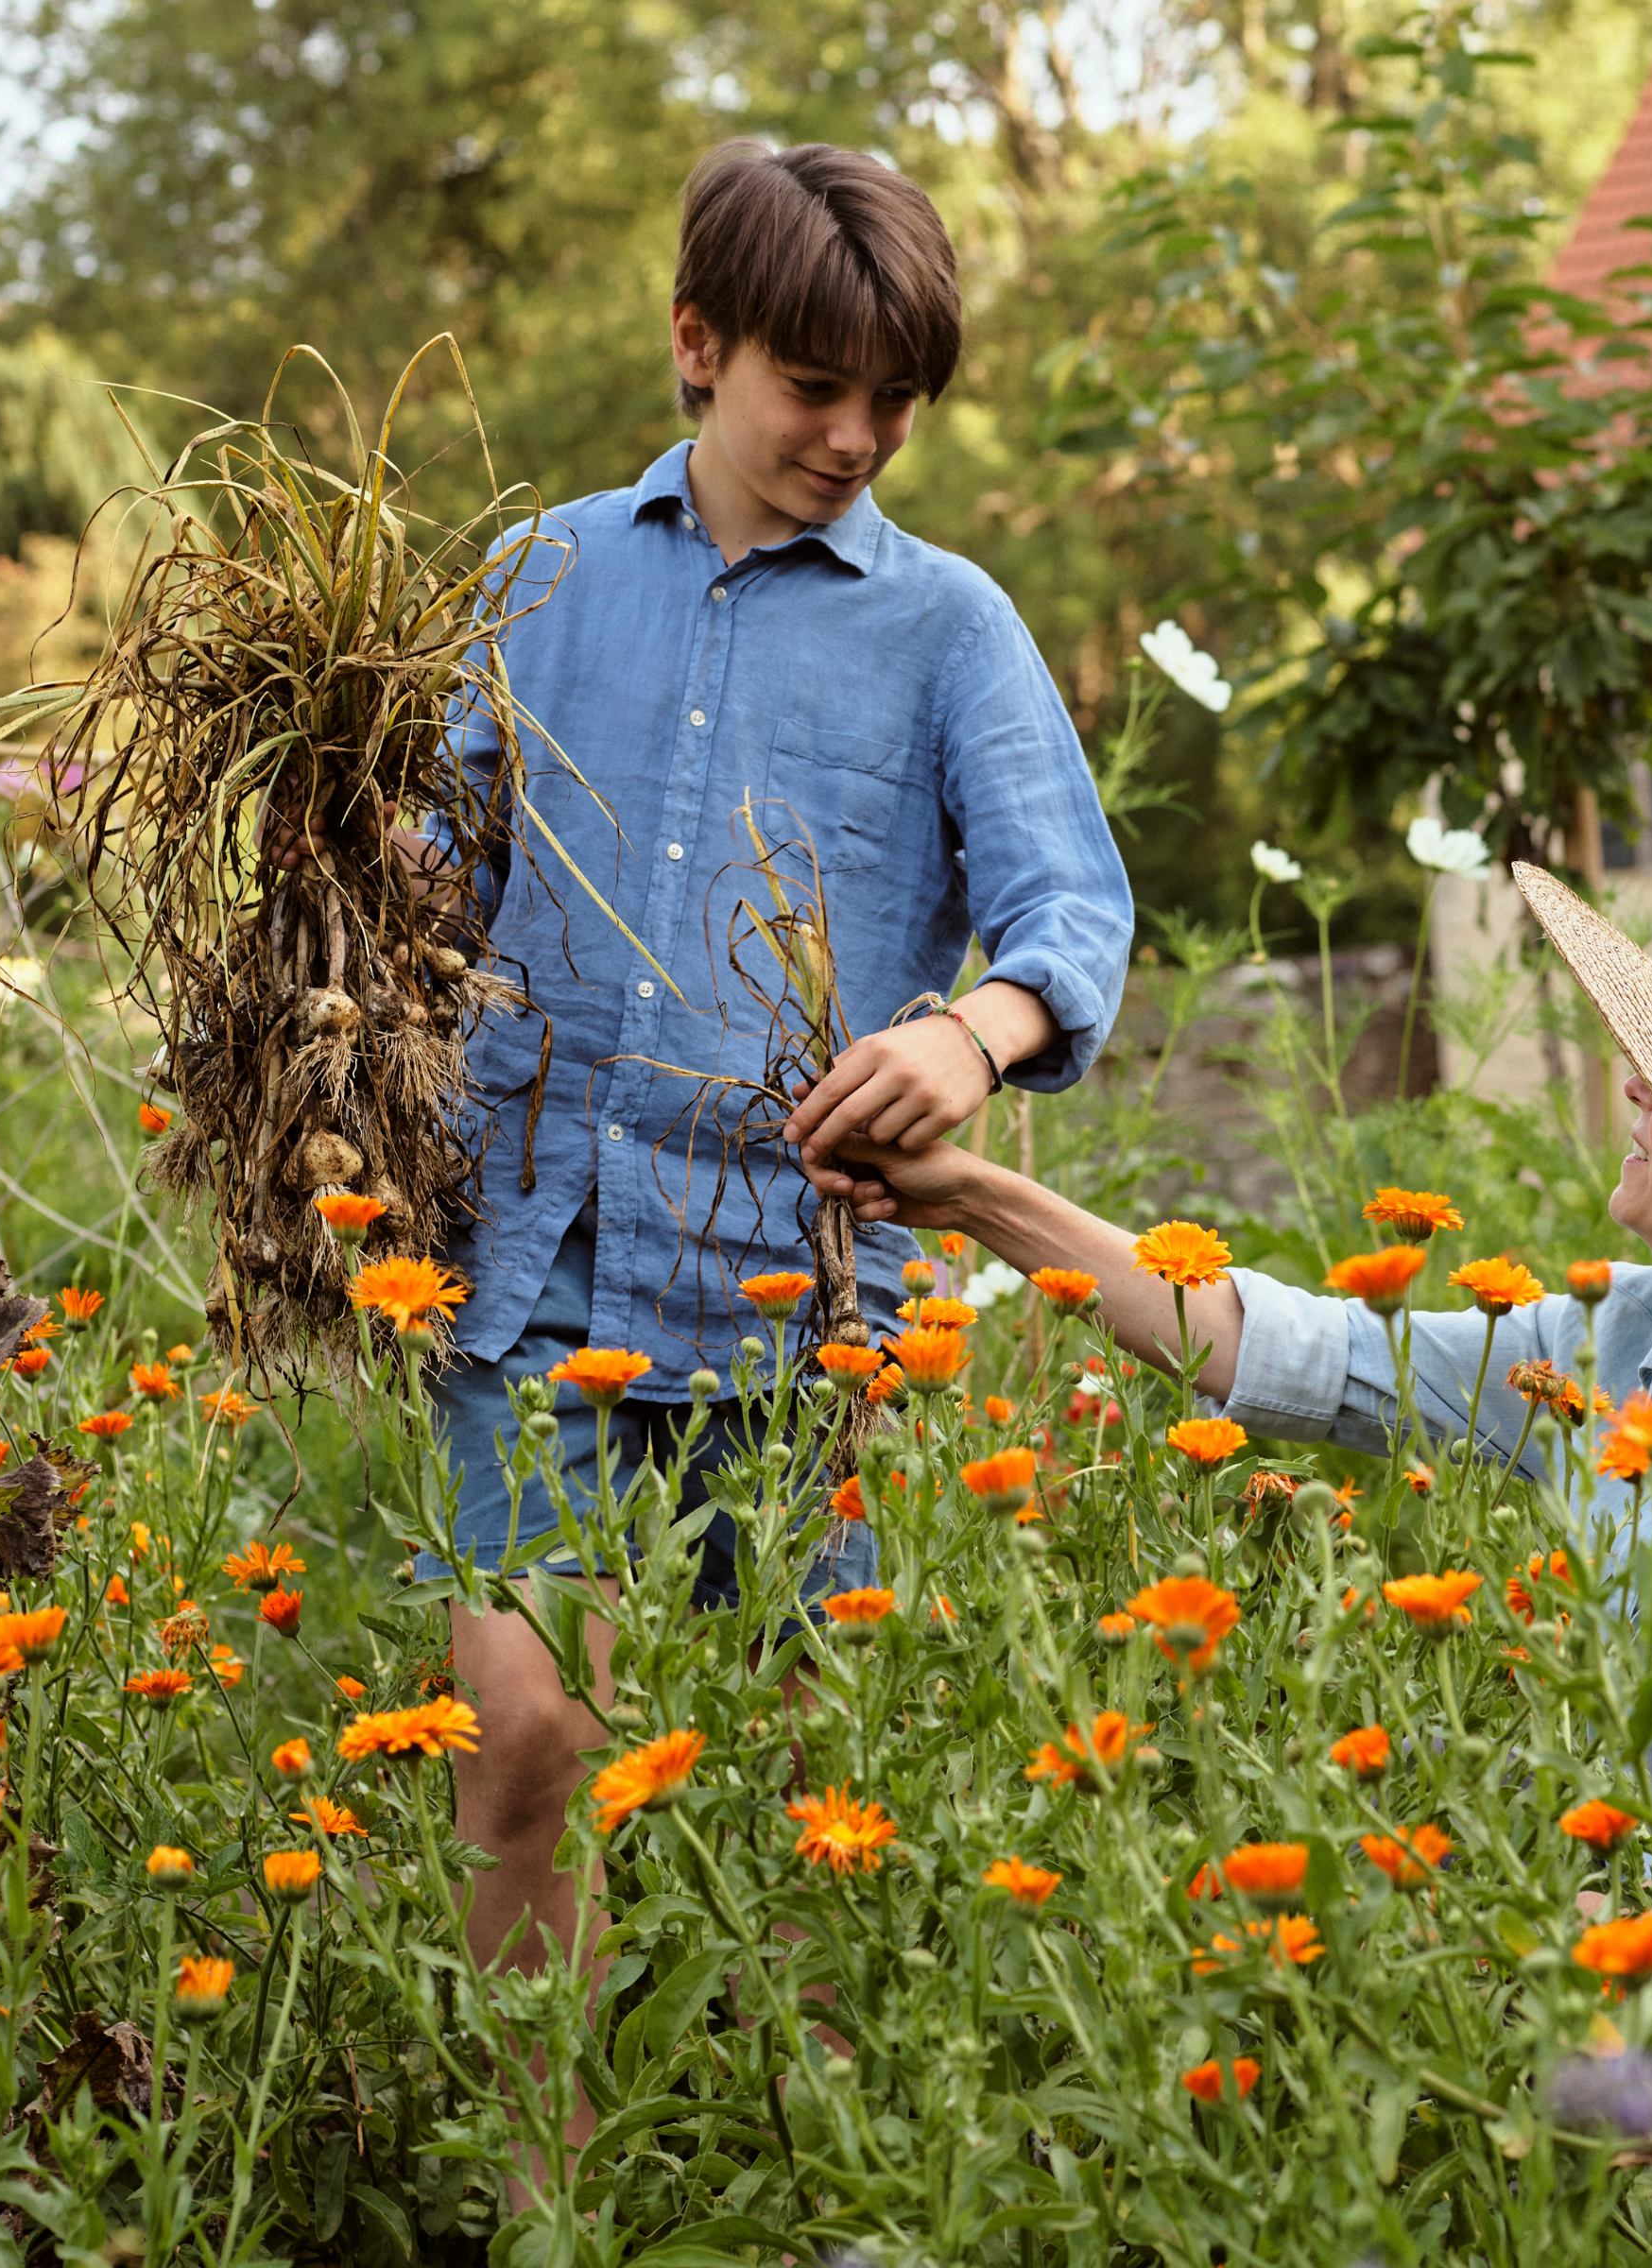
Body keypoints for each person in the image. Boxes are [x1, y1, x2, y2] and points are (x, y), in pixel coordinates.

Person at [803, 865, 1652, 2071]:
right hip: (1648, 2027)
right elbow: (1296, 1349)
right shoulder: (1610, 1354)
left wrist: (1471, 2001)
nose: (1633, 1081)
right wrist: (970, 1199)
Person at [425, 139, 1134, 1981]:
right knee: (526, 1744)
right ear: (695, 343)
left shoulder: (947, 626)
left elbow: (1069, 920)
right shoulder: (539, 576)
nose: (858, 433)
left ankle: (800, 2184)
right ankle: (543, 2200)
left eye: (894, 398)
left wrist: (972, 1033)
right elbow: (416, 887)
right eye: (814, 386)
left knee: (791, 1792)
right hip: (535, 1245)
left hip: (792, 1277)